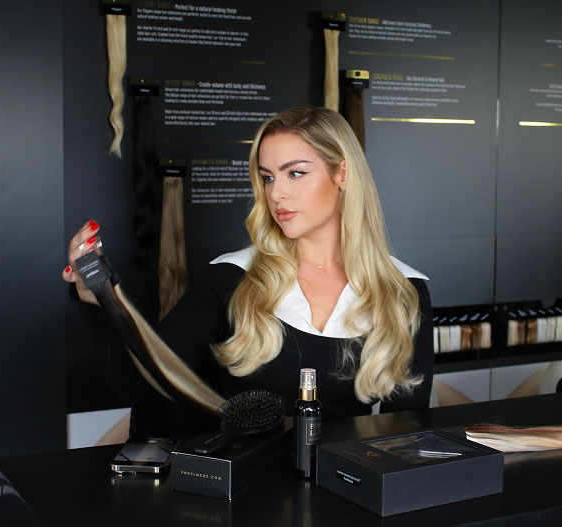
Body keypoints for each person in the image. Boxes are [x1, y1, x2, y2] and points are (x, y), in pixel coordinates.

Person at [63, 106, 433, 438]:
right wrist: (98, 296)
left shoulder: (405, 290)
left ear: (343, 174)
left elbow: (406, 432)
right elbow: (148, 385)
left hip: (346, 484)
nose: (276, 194)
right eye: (268, 177)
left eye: (296, 173)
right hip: (245, 484)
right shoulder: (231, 278)